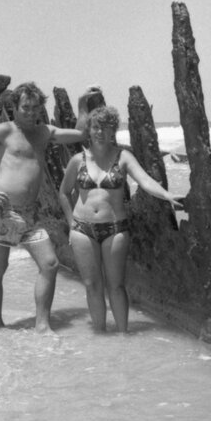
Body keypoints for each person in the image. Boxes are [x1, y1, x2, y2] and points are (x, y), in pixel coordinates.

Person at [0, 82, 87, 333]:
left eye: (35, 107)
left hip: (31, 214)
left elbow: (81, 134)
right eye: (25, 107)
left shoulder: (44, 132)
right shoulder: (4, 130)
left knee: (49, 264)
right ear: (15, 107)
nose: (30, 112)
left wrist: (82, 104)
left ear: (41, 109)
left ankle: (42, 326)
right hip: (2, 212)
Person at [58, 105, 182, 333]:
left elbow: (144, 181)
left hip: (115, 228)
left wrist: (166, 195)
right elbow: (64, 192)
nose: (100, 133)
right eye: (96, 127)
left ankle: (124, 335)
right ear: (89, 129)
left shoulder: (123, 156)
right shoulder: (78, 160)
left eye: (106, 128)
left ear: (114, 130)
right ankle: (100, 335)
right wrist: (70, 223)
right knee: (92, 285)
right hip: (82, 229)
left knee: (116, 285)